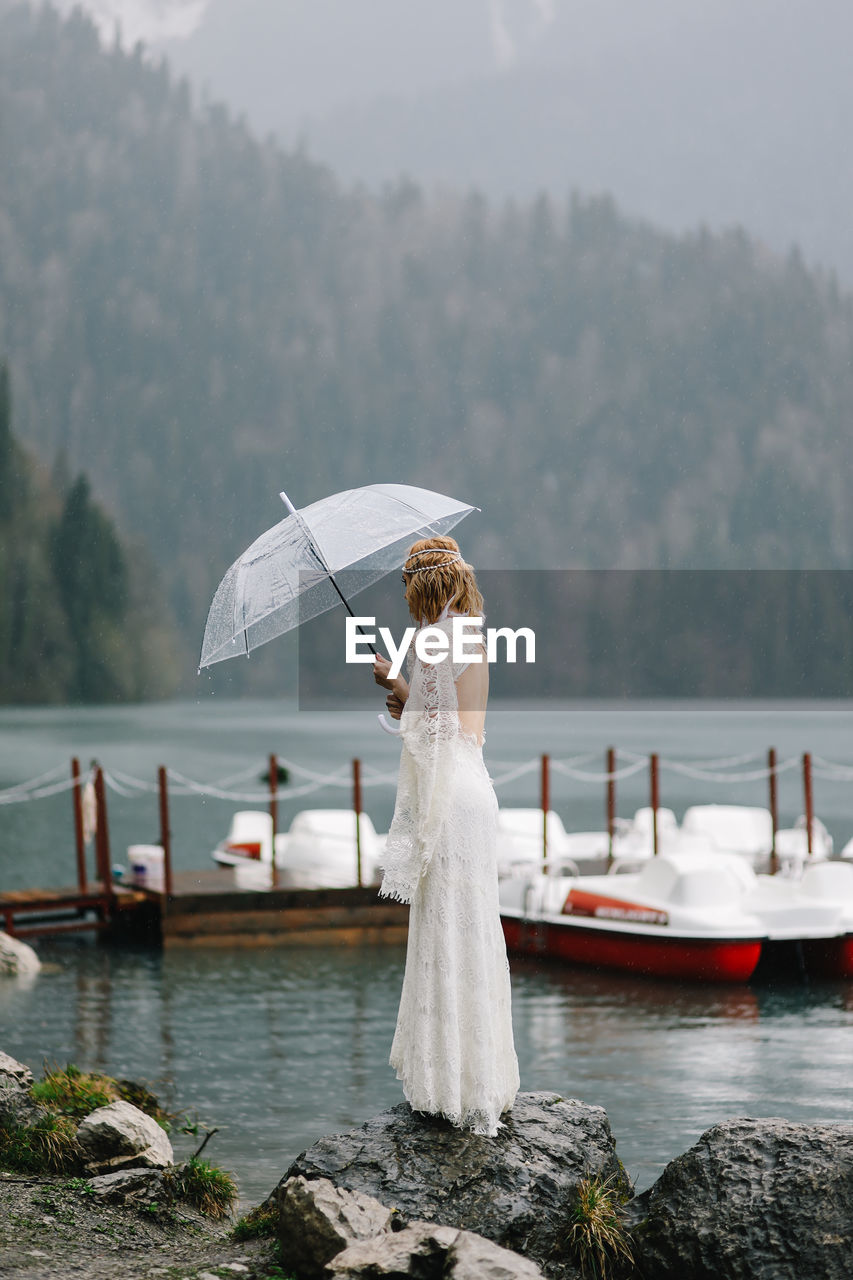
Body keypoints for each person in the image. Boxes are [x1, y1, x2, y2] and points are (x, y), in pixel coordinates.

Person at [373, 535, 520, 1136]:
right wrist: (408, 700)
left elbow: (430, 736)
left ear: (422, 586)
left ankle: (448, 1088)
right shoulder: (473, 636)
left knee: (443, 929)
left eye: (408, 588)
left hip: (451, 802)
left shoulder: (434, 639)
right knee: (474, 929)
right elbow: (463, 732)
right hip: (477, 792)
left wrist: (396, 684)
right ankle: (481, 1077)